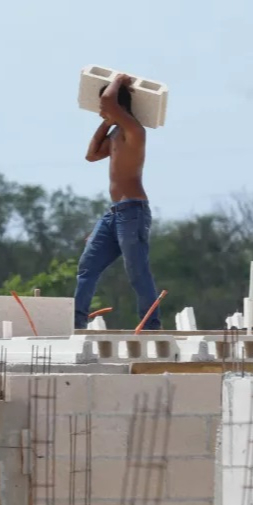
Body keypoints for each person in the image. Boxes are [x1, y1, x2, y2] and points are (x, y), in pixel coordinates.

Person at [74, 73, 161, 330]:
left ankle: (150, 326)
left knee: (137, 272)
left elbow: (110, 102)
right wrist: (106, 123)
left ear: (118, 106)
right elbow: (91, 155)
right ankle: (77, 322)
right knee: (87, 266)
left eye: (104, 105)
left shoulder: (135, 130)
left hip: (133, 211)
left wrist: (119, 80)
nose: (101, 109)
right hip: (114, 213)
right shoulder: (115, 134)